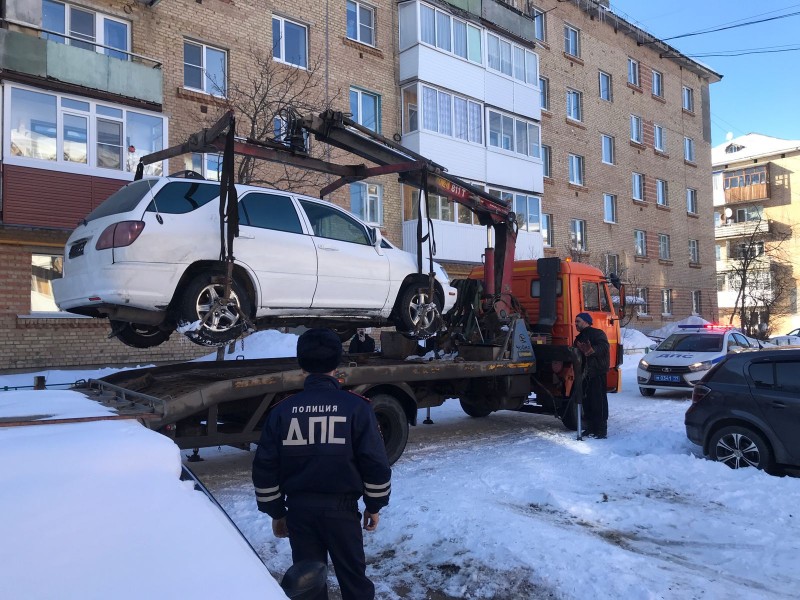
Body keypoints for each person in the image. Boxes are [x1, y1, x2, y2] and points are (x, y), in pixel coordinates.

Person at [253, 328, 391, 600]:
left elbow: (265, 468)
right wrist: (374, 506)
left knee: (308, 583)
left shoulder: (282, 411)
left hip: (300, 514)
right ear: (338, 361)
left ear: (300, 362)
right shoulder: (357, 407)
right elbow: (375, 463)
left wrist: (277, 512)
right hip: (343, 513)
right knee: (354, 581)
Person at [573, 312, 610, 439]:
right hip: (584, 374)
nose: (575, 323)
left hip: (597, 373)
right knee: (587, 402)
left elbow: (604, 347)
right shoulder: (578, 339)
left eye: (578, 321)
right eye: (575, 321)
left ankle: (601, 429)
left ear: (586, 321)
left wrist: (592, 350)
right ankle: (590, 427)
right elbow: (576, 355)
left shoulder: (598, 334)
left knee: (598, 401)